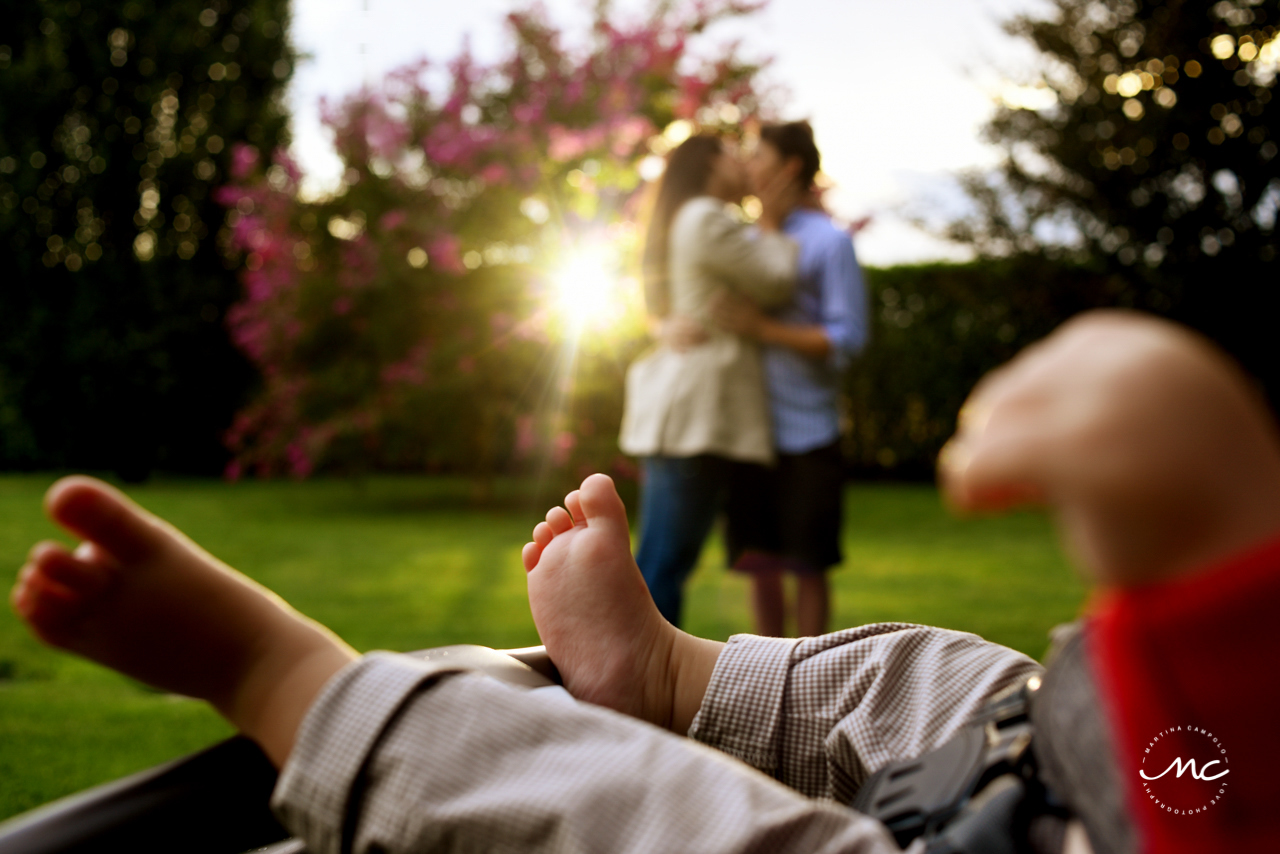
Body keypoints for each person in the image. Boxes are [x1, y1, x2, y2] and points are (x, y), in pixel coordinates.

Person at [12, 310, 1280, 853]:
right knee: (949, 683)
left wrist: (1219, 592)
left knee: (672, 830)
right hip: (1127, 764)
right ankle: (669, 674)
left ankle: (285, 678)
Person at [619, 132, 803, 627]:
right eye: (731, 152)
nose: (743, 161)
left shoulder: (688, 218)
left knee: (658, 558)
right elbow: (774, 281)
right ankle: (637, 686)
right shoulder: (706, 217)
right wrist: (772, 224)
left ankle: (625, 679)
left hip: (678, 416)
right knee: (665, 563)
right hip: (696, 419)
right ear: (708, 164)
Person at [710, 120, 870, 637]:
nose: (749, 165)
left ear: (791, 167)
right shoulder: (742, 239)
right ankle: (768, 682)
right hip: (749, 434)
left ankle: (813, 689)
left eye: (759, 156)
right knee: (760, 568)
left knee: (808, 567)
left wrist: (763, 329)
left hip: (809, 434)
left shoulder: (829, 243)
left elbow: (848, 338)